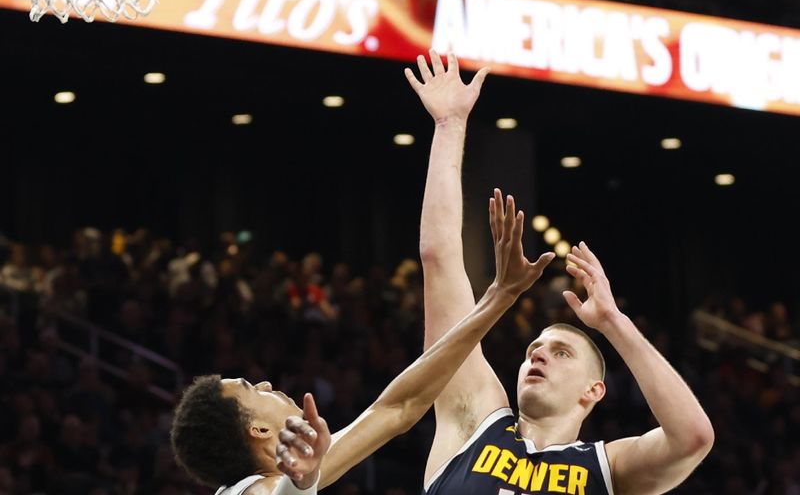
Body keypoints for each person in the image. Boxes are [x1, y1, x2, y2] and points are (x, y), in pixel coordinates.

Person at [406, 49, 715, 495]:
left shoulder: (607, 469)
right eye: (535, 347)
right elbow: (440, 260)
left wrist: (613, 322)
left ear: (593, 391)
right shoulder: (474, 420)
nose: (537, 354)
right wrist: (450, 126)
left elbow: (693, 438)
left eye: (561, 352)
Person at [170, 192, 556, 495]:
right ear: (258, 431)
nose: (266, 384)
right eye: (251, 388)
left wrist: (499, 298)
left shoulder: (296, 471)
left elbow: (400, 407)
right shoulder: (261, 490)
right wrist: (300, 483)